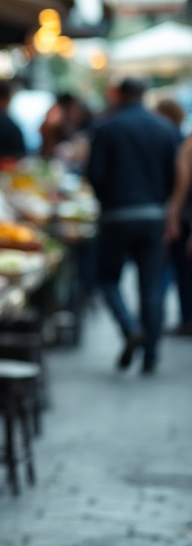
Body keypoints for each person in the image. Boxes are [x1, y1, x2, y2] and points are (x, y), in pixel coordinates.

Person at [87, 77, 181, 373]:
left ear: (119, 95)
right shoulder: (165, 129)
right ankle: (150, 355)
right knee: (151, 287)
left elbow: (95, 174)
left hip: (117, 215)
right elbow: (174, 176)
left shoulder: (107, 128)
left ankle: (130, 328)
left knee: (107, 279)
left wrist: (108, 199)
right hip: (153, 215)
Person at [165, 133, 192, 335]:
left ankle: (187, 319)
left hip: (187, 219)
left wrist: (172, 218)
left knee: (184, 272)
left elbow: (180, 188)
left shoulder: (187, 147)